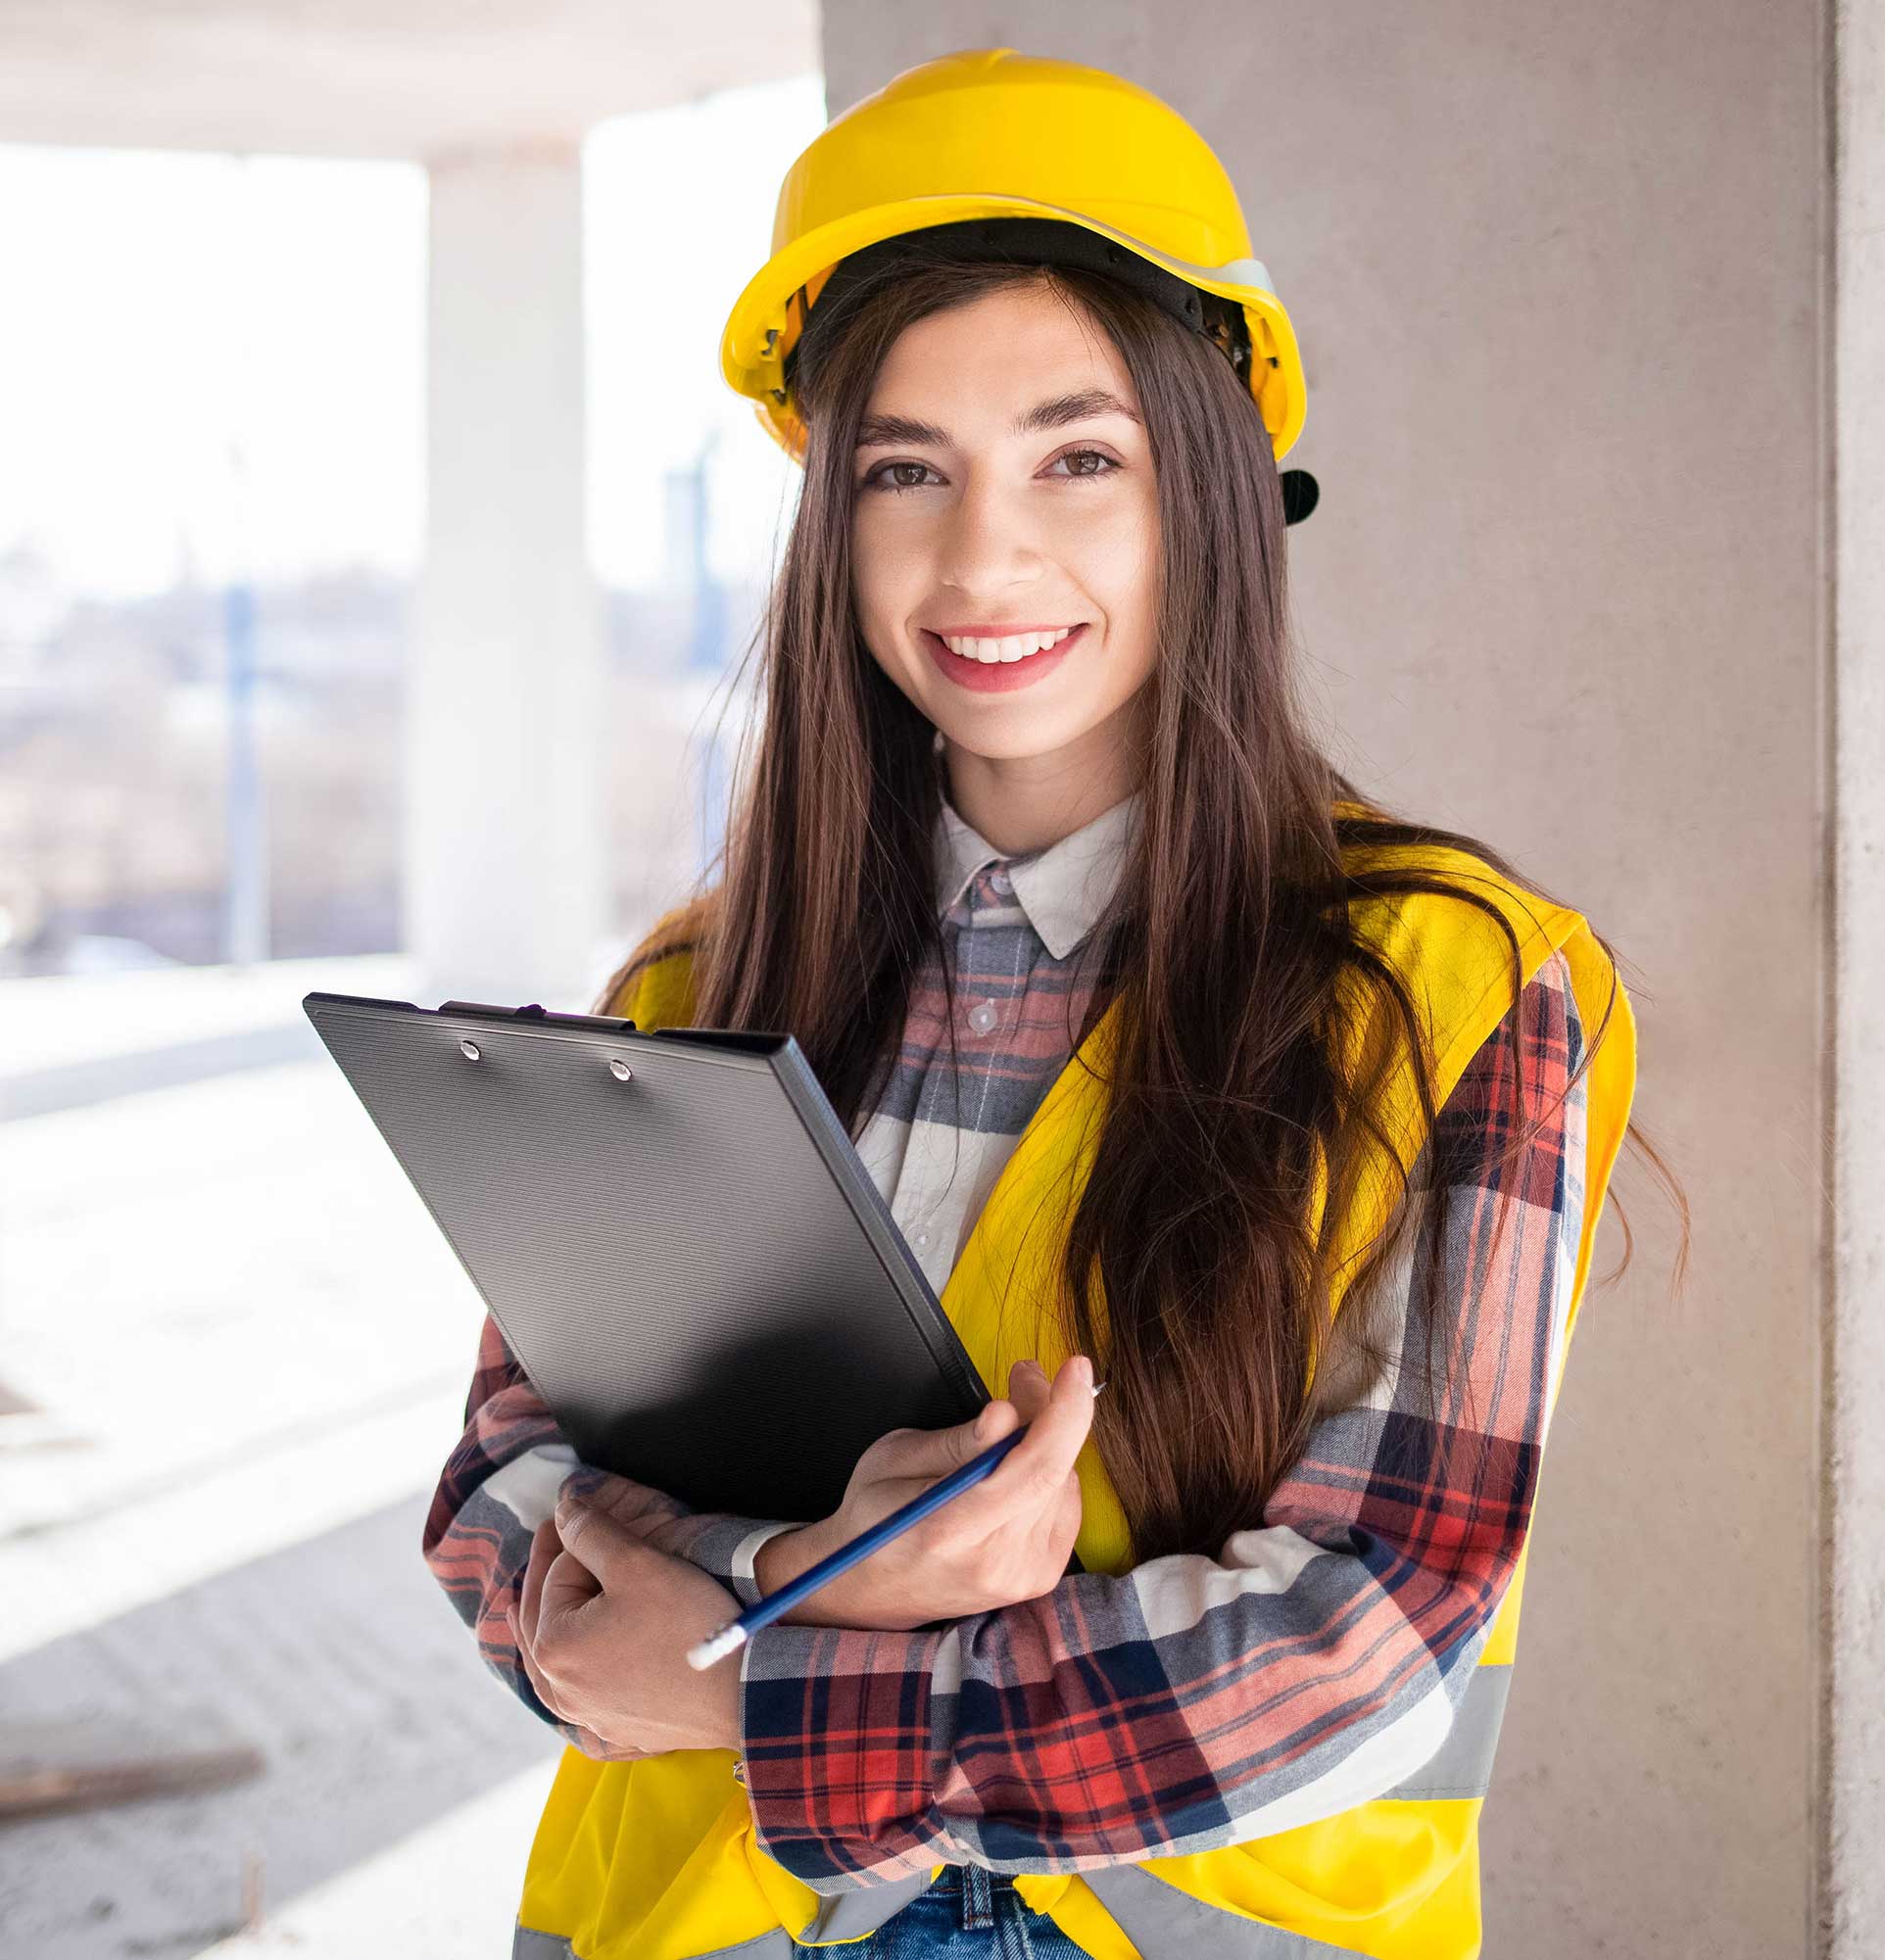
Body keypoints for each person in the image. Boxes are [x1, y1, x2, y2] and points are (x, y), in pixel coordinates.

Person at [423, 47, 1671, 1960]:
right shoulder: (688, 990)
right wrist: (808, 1570)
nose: (981, 556)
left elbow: (1368, 1638)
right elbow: (503, 1498)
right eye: (903, 470)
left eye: (1077, 457)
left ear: (1217, 487)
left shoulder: (1451, 991)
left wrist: (759, 1678)